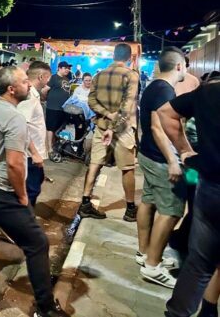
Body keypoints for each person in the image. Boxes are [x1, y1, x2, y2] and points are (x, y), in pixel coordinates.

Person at [0, 66, 69, 316]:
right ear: (11, 89)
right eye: (23, 82)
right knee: (37, 243)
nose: (29, 84)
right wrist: (21, 196)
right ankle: (45, 307)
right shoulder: (14, 117)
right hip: (1, 190)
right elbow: (15, 163)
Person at [158, 72, 220, 317]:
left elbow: (165, 113)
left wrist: (185, 151)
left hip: (212, 188)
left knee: (199, 264)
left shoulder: (209, 92)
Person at [134, 47, 188, 289]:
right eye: (185, 65)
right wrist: (173, 160)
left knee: (149, 201)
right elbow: (157, 128)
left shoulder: (153, 86)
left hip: (148, 153)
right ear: (178, 66)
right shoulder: (164, 90)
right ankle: (153, 266)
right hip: (160, 158)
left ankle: (144, 253)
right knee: (172, 210)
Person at [78, 43, 139, 221]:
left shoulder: (98, 75)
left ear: (114, 55)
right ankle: (130, 210)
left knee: (95, 163)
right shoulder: (131, 75)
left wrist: (106, 114)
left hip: (102, 126)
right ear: (129, 57)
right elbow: (127, 107)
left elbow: (91, 101)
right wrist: (114, 125)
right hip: (122, 129)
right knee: (127, 168)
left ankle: (85, 203)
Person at [18, 61, 51, 206]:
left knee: (35, 185)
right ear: (41, 76)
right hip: (29, 155)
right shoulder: (29, 96)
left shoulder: (34, 95)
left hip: (33, 153)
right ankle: (24, 222)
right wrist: (34, 153)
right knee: (30, 190)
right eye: (48, 77)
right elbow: (21, 126)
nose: (49, 82)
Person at [44, 61, 71, 157]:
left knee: (58, 129)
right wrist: (45, 99)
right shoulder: (53, 77)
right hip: (53, 107)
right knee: (50, 128)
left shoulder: (67, 79)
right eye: (65, 68)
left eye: (68, 68)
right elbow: (45, 90)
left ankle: (55, 146)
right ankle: (49, 148)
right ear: (59, 68)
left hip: (63, 109)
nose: (67, 69)